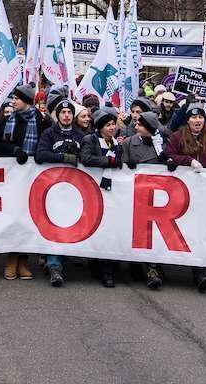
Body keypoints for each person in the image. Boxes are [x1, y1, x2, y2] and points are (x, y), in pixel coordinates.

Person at [163, 105, 206, 292]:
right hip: (182, 192)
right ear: (188, 120)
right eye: (193, 118)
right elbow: (169, 155)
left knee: (201, 230)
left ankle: (200, 271)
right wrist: (188, 161)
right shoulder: (178, 136)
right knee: (183, 228)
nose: (197, 121)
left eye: (200, 117)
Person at [0, 84, 48, 281]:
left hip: (32, 177)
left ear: (26, 101)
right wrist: (14, 151)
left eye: (17, 98)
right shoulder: (6, 120)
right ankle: (11, 258)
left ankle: (23, 261)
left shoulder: (41, 121)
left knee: (28, 217)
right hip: (12, 177)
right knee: (13, 216)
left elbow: (44, 143)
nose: (13, 102)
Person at [79, 108, 122, 288]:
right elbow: (86, 158)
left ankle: (108, 270)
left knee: (109, 230)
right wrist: (109, 161)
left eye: (113, 124)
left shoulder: (115, 143)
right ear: (100, 127)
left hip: (112, 191)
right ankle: (95, 264)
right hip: (93, 190)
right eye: (108, 125)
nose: (112, 128)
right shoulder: (90, 140)